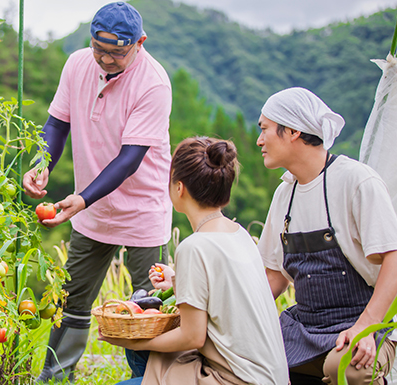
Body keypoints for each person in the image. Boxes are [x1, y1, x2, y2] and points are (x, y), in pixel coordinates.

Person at [21, 2, 173, 382]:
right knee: (71, 298)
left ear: (140, 43)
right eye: (99, 49)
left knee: (150, 306)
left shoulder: (154, 83)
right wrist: (43, 165)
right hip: (90, 208)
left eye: (117, 52)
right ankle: (55, 376)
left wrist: (82, 198)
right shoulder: (77, 64)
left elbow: (130, 159)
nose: (105, 59)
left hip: (143, 210)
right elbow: (57, 124)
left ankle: (152, 378)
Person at [101, 137, 289, 385]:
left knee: (137, 357)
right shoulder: (239, 234)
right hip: (272, 378)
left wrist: (130, 340)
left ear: (179, 188)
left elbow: (192, 338)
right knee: (148, 357)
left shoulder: (193, 247)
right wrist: (178, 281)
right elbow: (222, 292)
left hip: (236, 380)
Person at [256, 87, 397, 384]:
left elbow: (393, 259)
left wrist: (366, 327)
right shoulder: (285, 194)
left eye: (265, 129)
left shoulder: (356, 181)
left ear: (292, 131)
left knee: (345, 367)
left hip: (367, 323)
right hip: (305, 326)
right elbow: (273, 278)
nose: (259, 140)